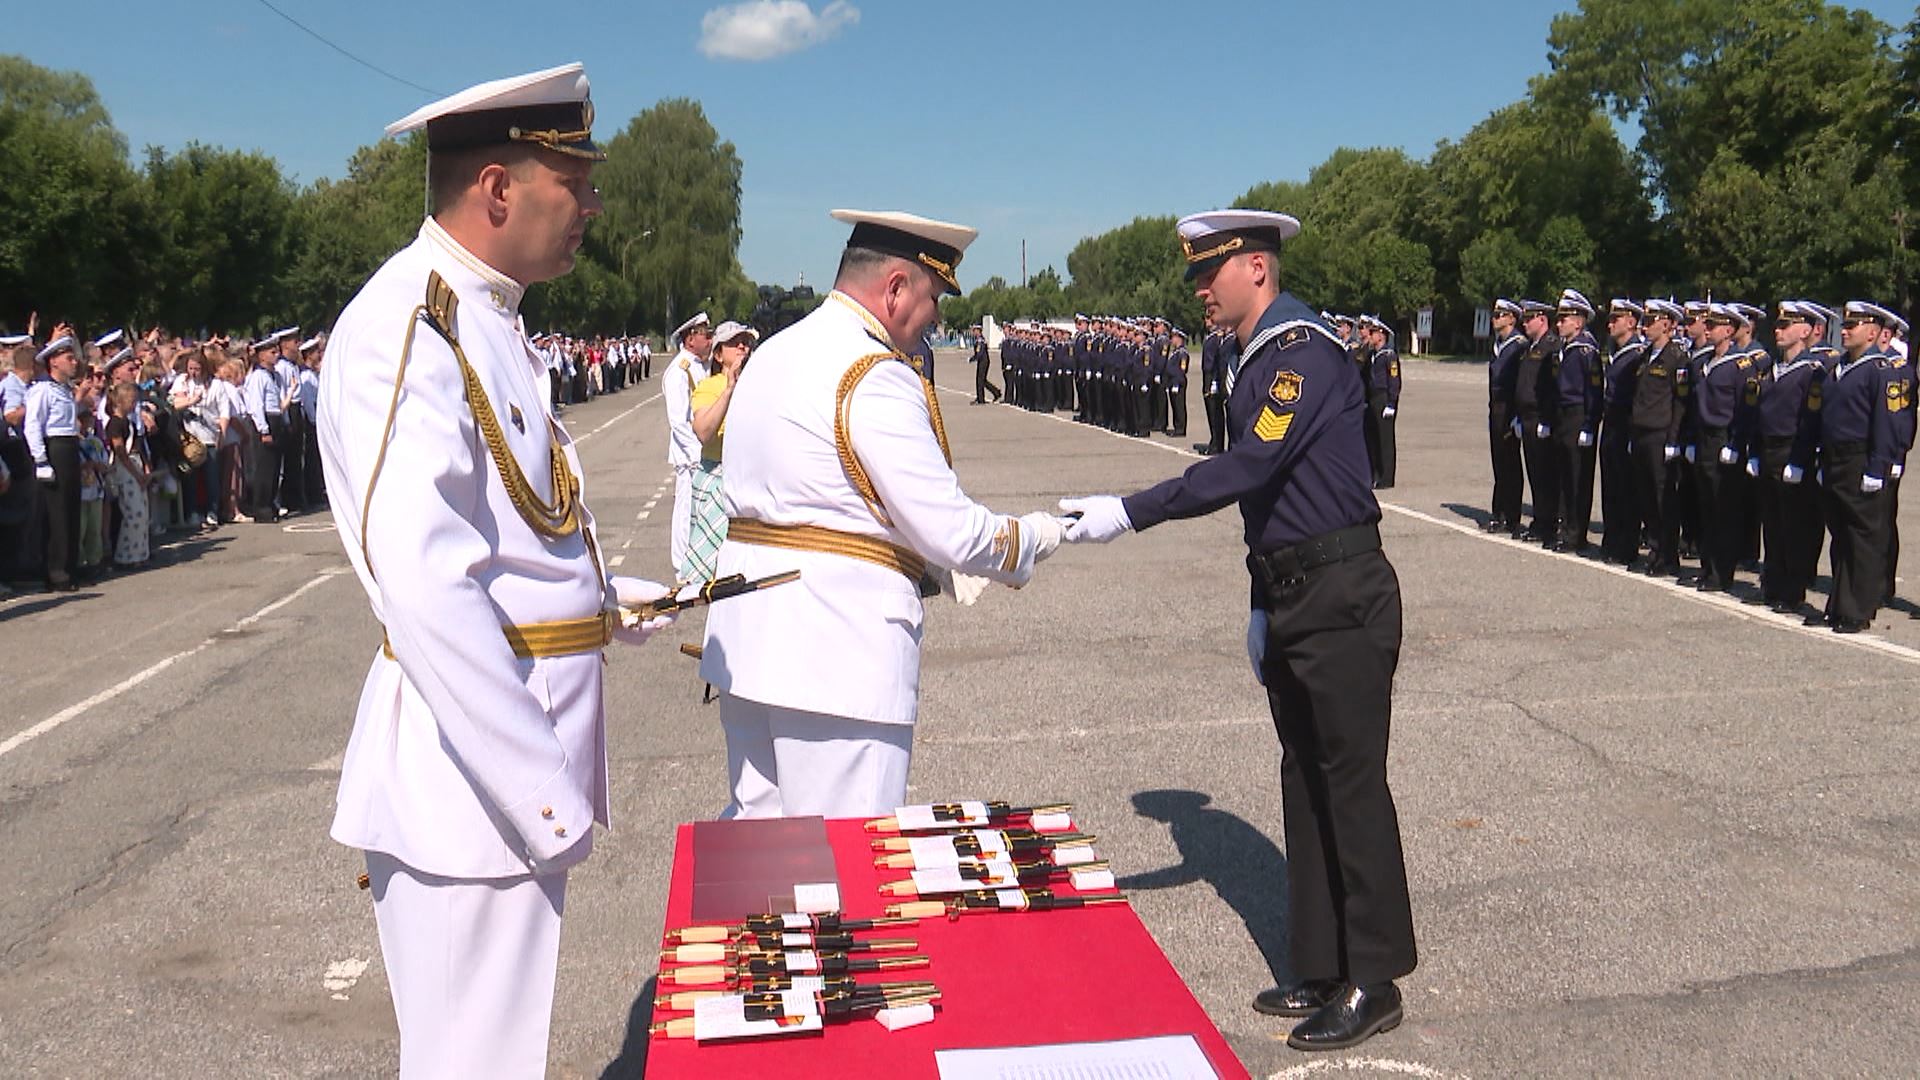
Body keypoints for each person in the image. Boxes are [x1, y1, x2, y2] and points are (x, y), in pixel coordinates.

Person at [314, 63, 675, 1078]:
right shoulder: (408, 323)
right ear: (500, 190)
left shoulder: (486, 313)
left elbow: (519, 532)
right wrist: (541, 793)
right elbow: (428, 585)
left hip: (497, 770)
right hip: (466, 782)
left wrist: (606, 602)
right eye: (579, 184)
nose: (594, 207)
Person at [1060, 209, 1415, 1053]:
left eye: (1209, 273)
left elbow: (1249, 466)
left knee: (1351, 786)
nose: (1199, 291)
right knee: (1306, 780)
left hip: (1341, 595)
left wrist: (1130, 511)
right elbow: (1271, 501)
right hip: (1296, 591)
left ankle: (1376, 979)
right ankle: (1326, 964)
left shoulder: (1303, 354)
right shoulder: (1260, 354)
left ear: (1254, 266)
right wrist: (1262, 599)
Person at [701, 208, 1065, 820]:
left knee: (763, 862)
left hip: (749, 643)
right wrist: (1037, 536)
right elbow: (948, 528)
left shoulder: (772, 354)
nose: (937, 319)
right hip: (838, 654)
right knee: (847, 870)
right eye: (934, 298)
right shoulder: (872, 372)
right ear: (896, 288)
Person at [684, 321, 758, 584]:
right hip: (716, 477)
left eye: (745, 341)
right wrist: (729, 389)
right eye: (734, 342)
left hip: (748, 480)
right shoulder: (709, 387)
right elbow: (703, 431)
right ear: (718, 354)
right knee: (713, 574)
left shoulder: (758, 384)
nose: (742, 346)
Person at [25, 334, 82, 591]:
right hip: (54, 449)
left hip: (69, 448)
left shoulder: (65, 390)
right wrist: (41, 460)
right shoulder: (42, 390)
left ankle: (71, 566)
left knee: (71, 509)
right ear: (54, 362)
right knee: (56, 514)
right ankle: (56, 571)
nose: (74, 362)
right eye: (68, 358)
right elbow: (33, 426)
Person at [664, 312, 713, 583]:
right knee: (685, 511)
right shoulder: (679, 371)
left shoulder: (700, 366)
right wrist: (697, 453)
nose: (709, 339)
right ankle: (681, 565)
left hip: (700, 452)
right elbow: (679, 421)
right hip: (689, 455)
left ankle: (696, 560)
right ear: (690, 338)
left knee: (699, 510)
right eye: (704, 334)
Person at [1485, 299, 1527, 533]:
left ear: (1512, 318)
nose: (1495, 319)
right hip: (1496, 409)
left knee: (1510, 464)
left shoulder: (1519, 345)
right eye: (1495, 314)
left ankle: (1511, 516)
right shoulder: (1499, 345)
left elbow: (1521, 384)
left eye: (1500, 315)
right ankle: (1498, 511)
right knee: (1499, 463)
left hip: (1510, 410)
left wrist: (1518, 414)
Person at [970, 327, 1000, 404]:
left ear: (978, 331)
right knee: (981, 380)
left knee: (980, 380)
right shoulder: (979, 339)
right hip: (981, 361)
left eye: (975, 330)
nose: (973, 332)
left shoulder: (980, 340)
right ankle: (995, 393)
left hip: (983, 362)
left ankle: (981, 399)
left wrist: (972, 359)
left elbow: (979, 353)